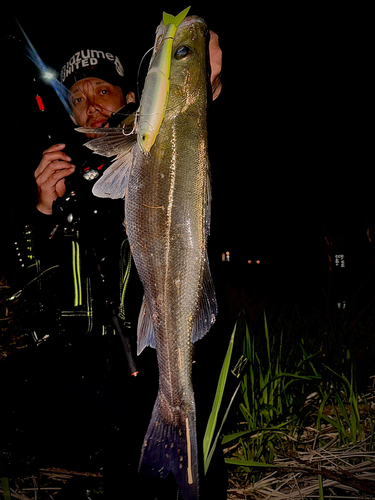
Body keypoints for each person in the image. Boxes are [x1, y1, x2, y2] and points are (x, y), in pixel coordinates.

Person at [24, 31, 224, 500]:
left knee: (193, 483)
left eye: (102, 91)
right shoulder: (63, 177)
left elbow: (194, 129)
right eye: (77, 98)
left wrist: (204, 84)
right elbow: (33, 283)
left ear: (135, 97)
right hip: (104, 374)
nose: (89, 104)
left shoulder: (156, 141)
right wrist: (41, 211)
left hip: (166, 352)